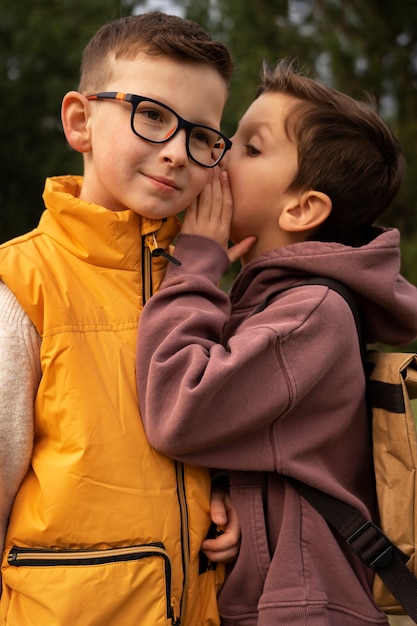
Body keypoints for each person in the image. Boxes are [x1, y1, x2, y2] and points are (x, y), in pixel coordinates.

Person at [136, 59, 417, 625]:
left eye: (250, 147)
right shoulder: (273, 300)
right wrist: (228, 496)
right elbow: (257, 440)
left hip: (302, 606)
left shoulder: (312, 311)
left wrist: (193, 268)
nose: (219, 153)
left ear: (302, 208)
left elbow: (177, 411)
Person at [0, 11, 242, 626]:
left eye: (202, 136)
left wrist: (227, 502)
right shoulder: (22, 284)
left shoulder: (202, 287)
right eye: (152, 115)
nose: (176, 153)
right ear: (80, 121)